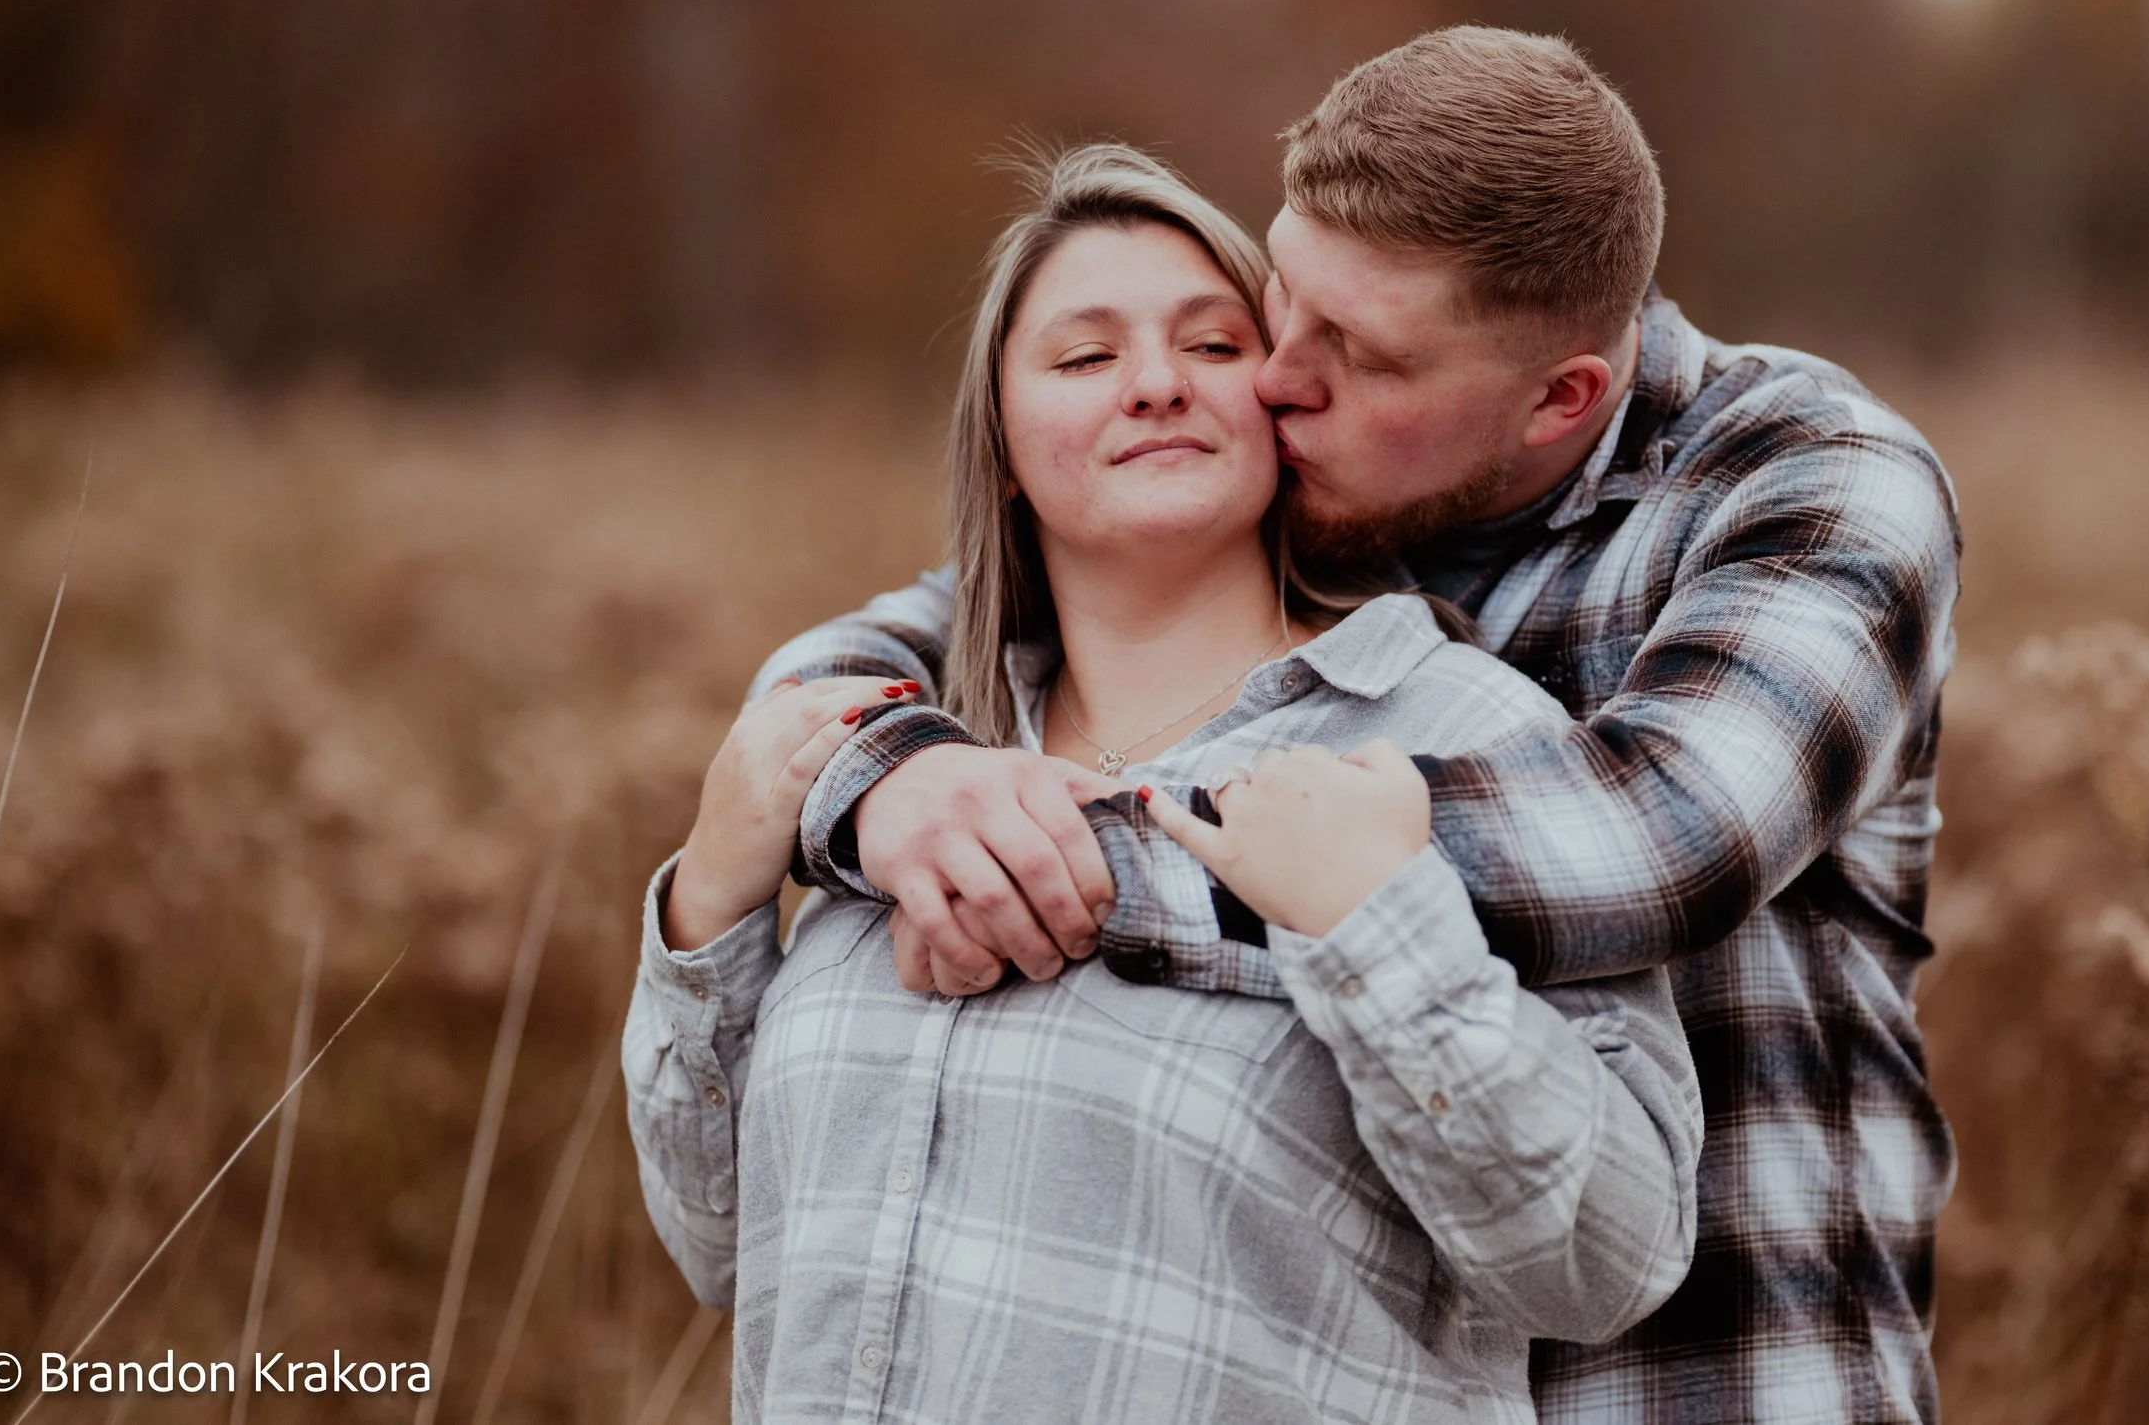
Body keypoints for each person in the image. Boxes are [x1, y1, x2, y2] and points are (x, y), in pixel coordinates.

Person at [765, 28, 1964, 1424]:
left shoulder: (1811, 483)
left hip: (1723, 1373)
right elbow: (955, 617)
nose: (1275, 378)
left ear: (1558, 398)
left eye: (1364, 355)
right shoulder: (1334, 479)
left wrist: (1033, 862)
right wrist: (883, 776)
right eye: (1284, 302)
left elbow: (1654, 841)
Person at [624, 143, 1702, 1424]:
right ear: (1006, 448)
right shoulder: (898, 763)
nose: (1151, 386)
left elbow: (1610, 1262)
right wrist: (705, 906)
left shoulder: (1457, 731)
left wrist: (1381, 934)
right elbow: (726, 1249)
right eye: (1084, 357)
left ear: (1287, 403)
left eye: (1209, 345)